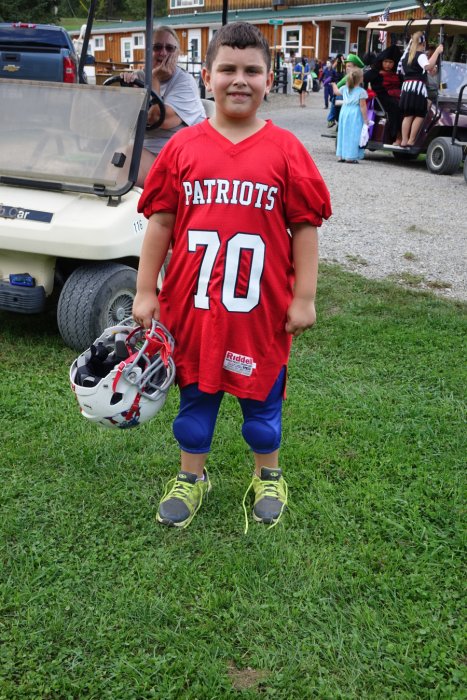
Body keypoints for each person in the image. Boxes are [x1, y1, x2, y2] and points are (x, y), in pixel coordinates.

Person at [132, 22, 332, 531]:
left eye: (251, 70)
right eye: (228, 69)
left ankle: (268, 474)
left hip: (259, 311)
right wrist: (144, 288)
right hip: (193, 308)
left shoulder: (286, 150)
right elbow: (160, 223)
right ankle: (191, 477)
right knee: (194, 403)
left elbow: (305, 227)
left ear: (270, 80)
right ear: (207, 76)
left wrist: (304, 296)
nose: (238, 80)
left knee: (262, 408)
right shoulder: (182, 148)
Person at [121, 25, 205, 187]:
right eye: (157, 47)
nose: (163, 52)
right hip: (144, 153)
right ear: (147, 52)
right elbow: (120, 119)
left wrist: (154, 79)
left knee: (127, 156)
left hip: (178, 160)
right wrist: (126, 93)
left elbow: (157, 118)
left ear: (177, 54)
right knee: (112, 154)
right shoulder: (138, 78)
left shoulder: (184, 82)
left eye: (170, 48)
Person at [398, 32, 443, 148]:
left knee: (408, 115)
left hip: (406, 88)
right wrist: (437, 52)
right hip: (417, 89)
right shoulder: (420, 55)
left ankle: (404, 140)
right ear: (423, 43)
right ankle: (411, 140)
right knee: (419, 114)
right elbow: (428, 66)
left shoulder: (406, 55)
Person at [363, 45, 402, 145]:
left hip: (397, 96)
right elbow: (362, 80)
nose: (388, 65)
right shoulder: (375, 72)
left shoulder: (398, 74)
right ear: (381, 61)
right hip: (379, 99)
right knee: (395, 106)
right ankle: (397, 136)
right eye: (386, 62)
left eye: (390, 62)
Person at [331, 67, 369, 163]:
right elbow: (363, 106)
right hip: (355, 113)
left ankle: (341, 155)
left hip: (344, 112)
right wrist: (366, 120)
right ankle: (350, 156)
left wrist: (333, 84)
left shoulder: (344, 88)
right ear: (360, 79)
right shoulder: (361, 92)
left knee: (343, 132)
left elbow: (336, 92)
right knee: (354, 134)